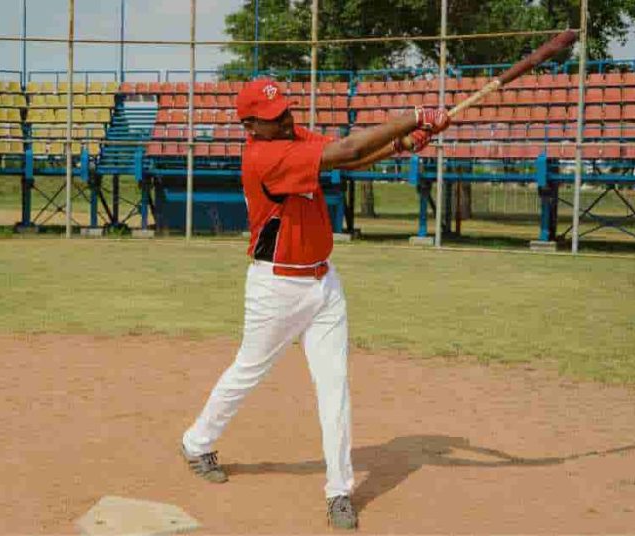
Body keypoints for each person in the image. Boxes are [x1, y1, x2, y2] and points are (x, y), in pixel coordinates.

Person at [180, 79, 450, 530]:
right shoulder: (264, 156)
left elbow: (351, 157)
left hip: (324, 284)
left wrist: (401, 145)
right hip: (276, 289)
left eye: (284, 111)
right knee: (247, 371)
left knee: (335, 386)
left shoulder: (291, 136)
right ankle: (196, 441)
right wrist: (415, 116)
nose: (285, 120)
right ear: (249, 126)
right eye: (272, 118)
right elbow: (343, 152)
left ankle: (338, 490)